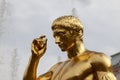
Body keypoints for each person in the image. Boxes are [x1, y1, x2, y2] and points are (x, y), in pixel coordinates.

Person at [23, 15, 116, 80]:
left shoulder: (97, 59)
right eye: (54, 36)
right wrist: (34, 59)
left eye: (61, 34)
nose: (57, 41)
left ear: (79, 32)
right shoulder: (56, 68)